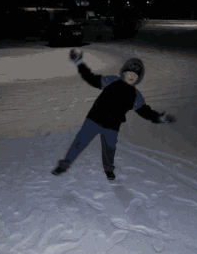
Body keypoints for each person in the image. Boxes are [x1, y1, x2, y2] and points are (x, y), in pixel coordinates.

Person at [51, 49, 176, 180]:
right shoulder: (111, 80)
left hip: (112, 127)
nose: (132, 76)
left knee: (109, 150)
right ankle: (64, 165)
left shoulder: (136, 96)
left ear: (138, 78)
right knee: (78, 143)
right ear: (124, 72)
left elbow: (145, 112)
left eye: (135, 75)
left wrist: (160, 118)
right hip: (93, 120)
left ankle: (109, 169)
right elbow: (91, 78)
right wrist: (79, 63)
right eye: (130, 72)